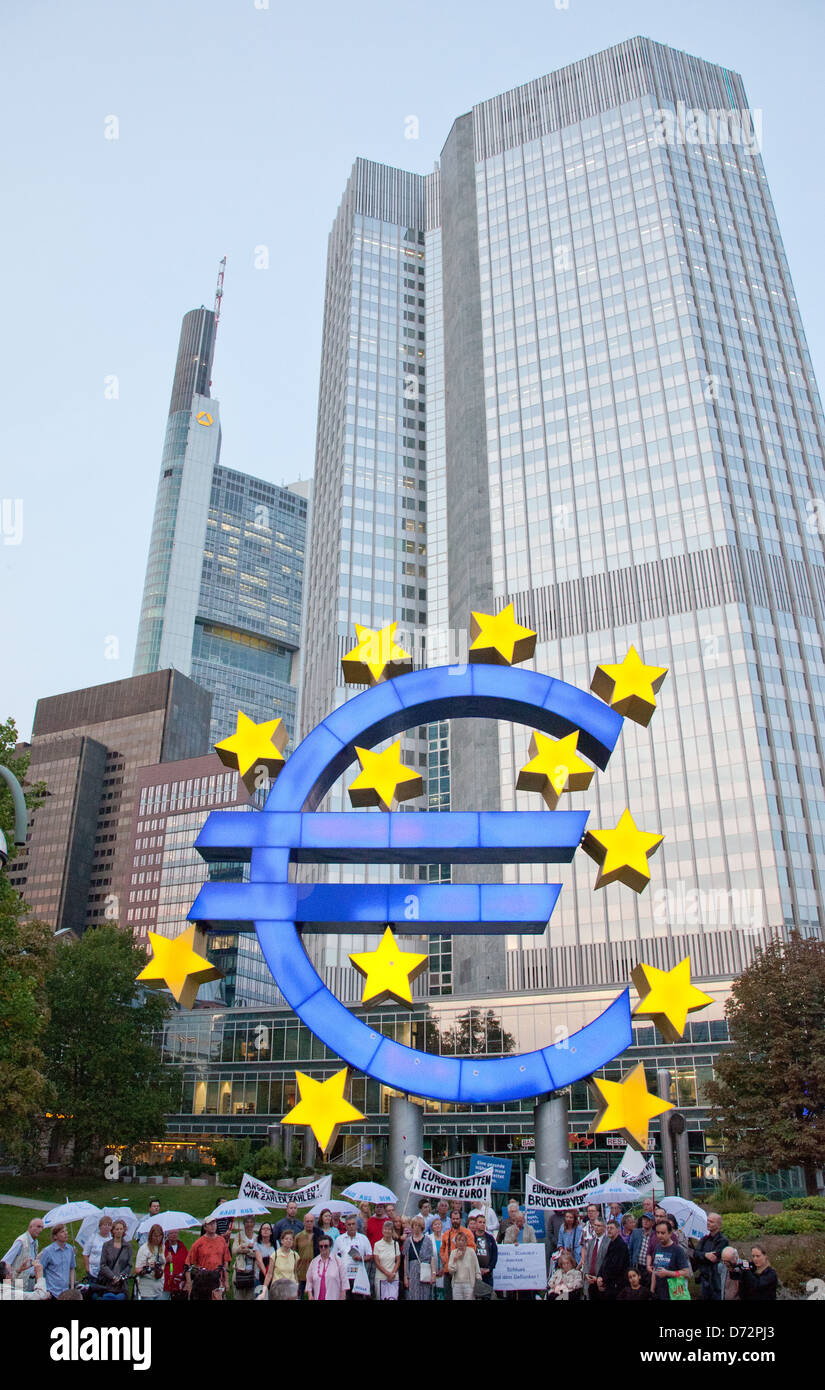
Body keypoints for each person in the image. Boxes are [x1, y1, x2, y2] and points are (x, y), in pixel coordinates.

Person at [186, 1217, 231, 1301]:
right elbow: (188, 1264)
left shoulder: (222, 1241)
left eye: (214, 1223)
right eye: (210, 1224)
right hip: (203, 1282)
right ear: (205, 1227)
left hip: (218, 1281)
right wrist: (189, 1284)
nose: (213, 1226)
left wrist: (227, 1281)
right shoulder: (198, 1243)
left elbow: (226, 1262)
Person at [332, 1212, 372, 1299]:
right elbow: (334, 1257)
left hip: (359, 1276)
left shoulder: (363, 1238)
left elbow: (370, 1255)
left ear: (357, 1225)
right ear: (345, 1226)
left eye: (353, 1224)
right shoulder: (339, 1239)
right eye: (349, 1224)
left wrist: (361, 1258)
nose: (351, 1226)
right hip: (344, 1276)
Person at [650, 1219, 690, 1300]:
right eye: (658, 1233)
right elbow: (655, 1270)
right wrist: (652, 1290)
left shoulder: (678, 1250)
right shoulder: (657, 1247)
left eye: (663, 1233)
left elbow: (686, 1273)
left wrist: (668, 1273)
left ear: (670, 1233)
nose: (660, 1235)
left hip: (674, 1293)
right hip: (659, 1292)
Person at [441, 1208, 476, 1300]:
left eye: (457, 1219)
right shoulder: (446, 1234)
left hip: (462, 1272)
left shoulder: (467, 1233)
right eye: (453, 1219)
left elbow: (472, 1248)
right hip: (448, 1270)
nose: (455, 1221)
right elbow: (442, 1249)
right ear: (451, 1219)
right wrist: (445, 1260)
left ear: (460, 1219)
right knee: (448, 1296)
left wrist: (461, 1254)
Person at [1, 1217, 44, 1290]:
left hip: (31, 1280)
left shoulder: (35, 1242)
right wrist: (6, 1289)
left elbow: (29, 1260)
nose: (40, 1230)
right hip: (18, 1281)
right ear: (30, 1227)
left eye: (42, 1227)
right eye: (38, 1226)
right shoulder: (21, 1241)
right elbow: (4, 1262)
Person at [693, 1212, 726, 1301]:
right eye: (708, 1221)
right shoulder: (704, 1239)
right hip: (705, 1279)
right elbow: (695, 1254)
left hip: (716, 1281)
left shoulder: (722, 1241)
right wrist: (705, 1255)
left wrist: (702, 1256)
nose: (708, 1223)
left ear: (718, 1225)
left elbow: (713, 1258)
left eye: (711, 1222)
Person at [403, 1215, 436, 1301]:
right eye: (415, 1225)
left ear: (422, 1227)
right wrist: (406, 1276)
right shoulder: (408, 1241)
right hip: (413, 1272)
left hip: (425, 1271)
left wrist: (433, 1273)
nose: (416, 1228)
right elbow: (406, 1259)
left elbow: (431, 1258)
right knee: (413, 1295)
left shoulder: (428, 1240)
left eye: (419, 1225)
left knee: (425, 1294)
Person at [97, 1219, 132, 1301]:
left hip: (122, 1284)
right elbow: (103, 1265)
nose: (119, 1231)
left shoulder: (128, 1246)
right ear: (112, 1231)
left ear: (124, 1230)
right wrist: (113, 1277)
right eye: (117, 1229)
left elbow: (129, 1265)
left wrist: (120, 1277)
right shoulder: (106, 1245)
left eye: (121, 1229)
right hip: (108, 1283)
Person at [40, 1223, 77, 1298]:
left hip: (66, 1292)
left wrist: (72, 1288)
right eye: (62, 1232)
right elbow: (39, 1270)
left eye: (66, 1231)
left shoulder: (70, 1249)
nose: (66, 1233)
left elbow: (72, 1268)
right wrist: (43, 1289)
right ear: (55, 1236)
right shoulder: (48, 1251)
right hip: (52, 1292)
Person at [306, 1236, 346, 1301]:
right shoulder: (314, 1262)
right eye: (321, 1246)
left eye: (326, 1246)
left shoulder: (338, 1261)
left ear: (330, 1246)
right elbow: (309, 1281)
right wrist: (310, 1295)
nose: (323, 1248)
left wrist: (342, 1297)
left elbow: (344, 1281)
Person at [597, 1220, 629, 1299]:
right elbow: (605, 1262)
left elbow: (616, 1267)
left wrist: (603, 1279)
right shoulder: (611, 1243)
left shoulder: (621, 1245)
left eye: (611, 1228)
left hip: (616, 1285)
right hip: (608, 1283)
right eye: (608, 1228)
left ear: (618, 1230)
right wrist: (599, 1276)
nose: (609, 1230)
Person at [135, 1223, 167, 1301]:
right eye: (155, 1236)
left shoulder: (163, 1247)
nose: (158, 1238)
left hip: (159, 1287)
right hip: (147, 1289)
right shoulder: (144, 1249)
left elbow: (164, 1266)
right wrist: (148, 1266)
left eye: (160, 1236)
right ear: (151, 1236)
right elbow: (137, 1270)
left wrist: (166, 1261)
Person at [232, 1215, 260, 1302]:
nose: (249, 1224)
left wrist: (248, 1251)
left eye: (251, 1222)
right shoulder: (239, 1235)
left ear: (254, 1224)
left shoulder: (257, 1237)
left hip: (253, 1269)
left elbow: (258, 1254)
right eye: (247, 1222)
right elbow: (234, 1250)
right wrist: (243, 1247)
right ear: (244, 1224)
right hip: (240, 1268)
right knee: (239, 1293)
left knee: (251, 1294)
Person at [373, 1218, 402, 1299]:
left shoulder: (395, 1244)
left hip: (394, 1276)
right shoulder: (377, 1244)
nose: (387, 1231)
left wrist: (392, 1273)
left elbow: (398, 1260)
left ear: (392, 1231)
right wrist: (387, 1273)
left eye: (389, 1229)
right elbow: (377, 1262)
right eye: (385, 1229)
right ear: (382, 1230)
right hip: (381, 1277)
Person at [448, 1230, 481, 1301]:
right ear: (456, 1242)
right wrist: (455, 1259)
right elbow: (451, 1271)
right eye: (458, 1240)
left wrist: (478, 1280)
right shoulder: (453, 1253)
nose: (460, 1242)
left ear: (466, 1242)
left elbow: (477, 1267)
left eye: (463, 1240)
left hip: (469, 1284)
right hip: (456, 1284)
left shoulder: (471, 1251)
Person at [581, 1218, 608, 1301]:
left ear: (604, 1227)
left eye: (599, 1225)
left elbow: (606, 1262)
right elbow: (587, 1260)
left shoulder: (608, 1242)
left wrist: (599, 1277)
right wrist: (585, 1274)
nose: (596, 1227)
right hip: (589, 1281)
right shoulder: (591, 1242)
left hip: (600, 1280)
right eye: (595, 1225)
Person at [470, 1212, 498, 1287]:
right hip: (473, 1273)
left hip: (487, 1274)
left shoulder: (490, 1238)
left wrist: (489, 1268)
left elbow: (494, 1255)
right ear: (475, 1224)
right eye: (480, 1222)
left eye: (484, 1222)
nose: (482, 1224)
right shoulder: (470, 1237)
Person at [295, 1212, 319, 1297]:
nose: (309, 1223)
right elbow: (294, 1253)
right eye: (307, 1221)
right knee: (301, 1295)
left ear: (314, 1222)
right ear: (303, 1222)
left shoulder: (319, 1235)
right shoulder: (298, 1236)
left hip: (316, 1271)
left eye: (311, 1221)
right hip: (302, 1272)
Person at [83, 1215, 113, 1282]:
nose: (107, 1227)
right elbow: (85, 1254)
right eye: (104, 1225)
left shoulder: (111, 1240)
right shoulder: (93, 1238)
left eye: (109, 1225)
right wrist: (88, 1269)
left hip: (107, 1273)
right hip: (92, 1272)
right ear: (100, 1226)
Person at [164, 1229, 188, 1300]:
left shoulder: (182, 1247)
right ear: (167, 1235)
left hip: (180, 1283)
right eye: (171, 1233)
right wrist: (166, 1260)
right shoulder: (163, 1247)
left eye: (176, 1233)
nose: (174, 1235)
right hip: (166, 1283)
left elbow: (187, 1264)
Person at [254, 1222, 277, 1288]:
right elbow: (260, 1262)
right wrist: (268, 1277)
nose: (265, 1230)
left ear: (271, 1232)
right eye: (263, 1228)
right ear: (260, 1231)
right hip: (260, 1276)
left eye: (268, 1229)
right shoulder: (257, 1245)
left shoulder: (276, 1244)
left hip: (274, 1276)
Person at [430, 1217, 445, 1299]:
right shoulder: (428, 1238)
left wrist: (443, 1268)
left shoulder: (445, 1237)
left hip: (443, 1271)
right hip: (432, 1271)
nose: (437, 1226)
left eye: (439, 1224)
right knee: (433, 1294)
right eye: (435, 1224)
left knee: (442, 1293)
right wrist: (434, 1271)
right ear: (432, 1227)